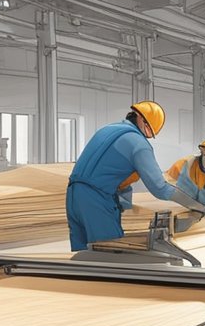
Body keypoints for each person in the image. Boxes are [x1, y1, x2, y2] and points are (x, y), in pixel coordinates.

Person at [65, 101, 185, 251]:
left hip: (73, 196)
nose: (148, 136)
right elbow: (159, 188)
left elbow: (110, 171)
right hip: (96, 200)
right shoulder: (138, 143)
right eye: (149, 130)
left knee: (82, 256)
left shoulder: (106, 130)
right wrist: (191, 202)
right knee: (109, 254)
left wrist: (124, 204)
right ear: (141, 119)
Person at [166, 138, 205, 220]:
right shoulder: (185, 163)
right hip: (176, 201)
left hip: (197, 205)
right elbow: (167, 183)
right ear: (204, 154)